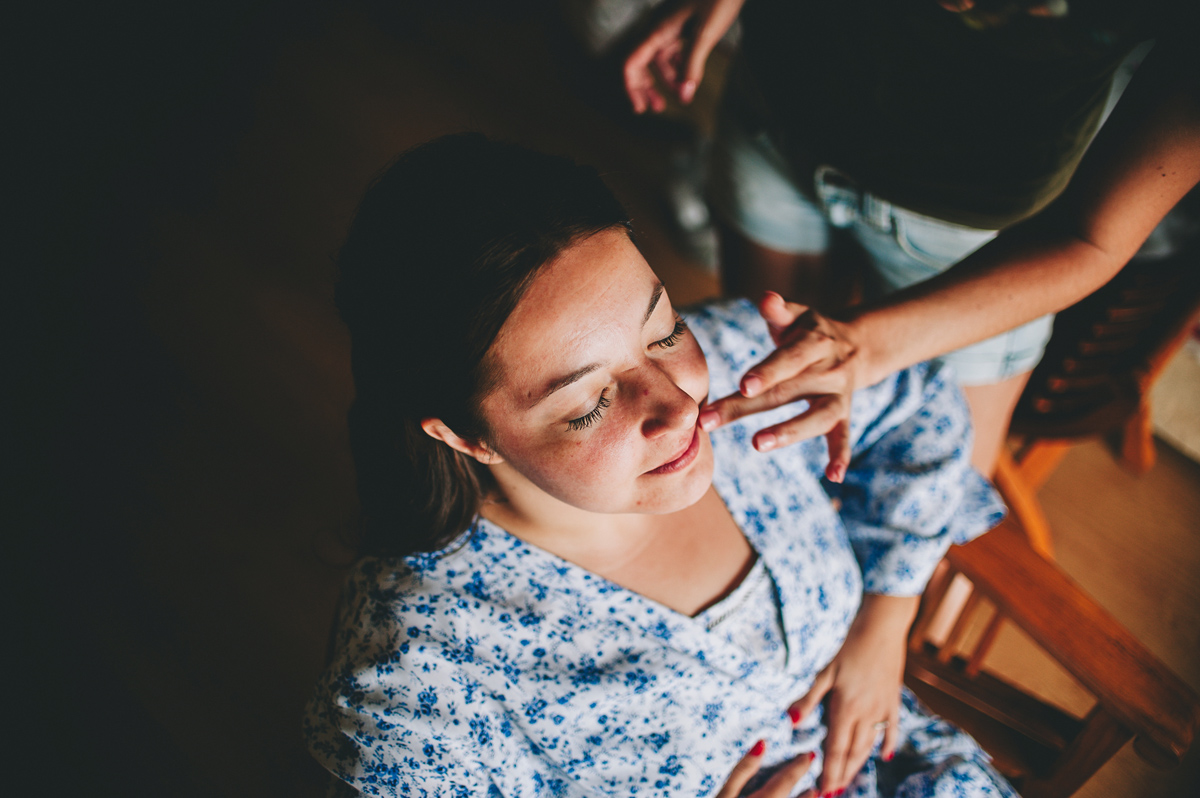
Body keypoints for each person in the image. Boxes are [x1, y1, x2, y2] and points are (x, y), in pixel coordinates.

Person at [303, 133, 1013, 797]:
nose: (677, 406)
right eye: (586, 404)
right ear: (465, 437)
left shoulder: (746, 363)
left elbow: (920, 404)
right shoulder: (418, 688)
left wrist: (885, 621)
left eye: (664, 329)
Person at [623, 0, 1200, 476]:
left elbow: (1094, 238)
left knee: (944, 491)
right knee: (767, 436)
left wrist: (868, 345)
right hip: (773, 119)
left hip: (979, 244)